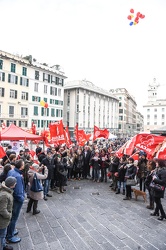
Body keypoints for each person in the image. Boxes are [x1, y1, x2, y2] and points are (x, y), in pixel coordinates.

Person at [6, 159, 25, 243]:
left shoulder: (11, 171)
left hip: (11, 197)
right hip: (16, 199)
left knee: (11, 217)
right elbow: (18, 192)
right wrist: (22, 199)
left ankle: (10, 230)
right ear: (21, 166)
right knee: (14, 218)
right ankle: (10, 236)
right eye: (23, 164)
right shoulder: (18, 176)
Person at [0, 176, 17, 250]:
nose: (16, 184)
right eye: (14, 183)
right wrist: (9, 215)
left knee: (3, 234)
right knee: (2, 235)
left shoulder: (6, 191)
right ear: (11, 184)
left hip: (4, 220)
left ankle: (3, 245)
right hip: (2, 220)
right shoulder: (4, 195)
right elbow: (2, 210)